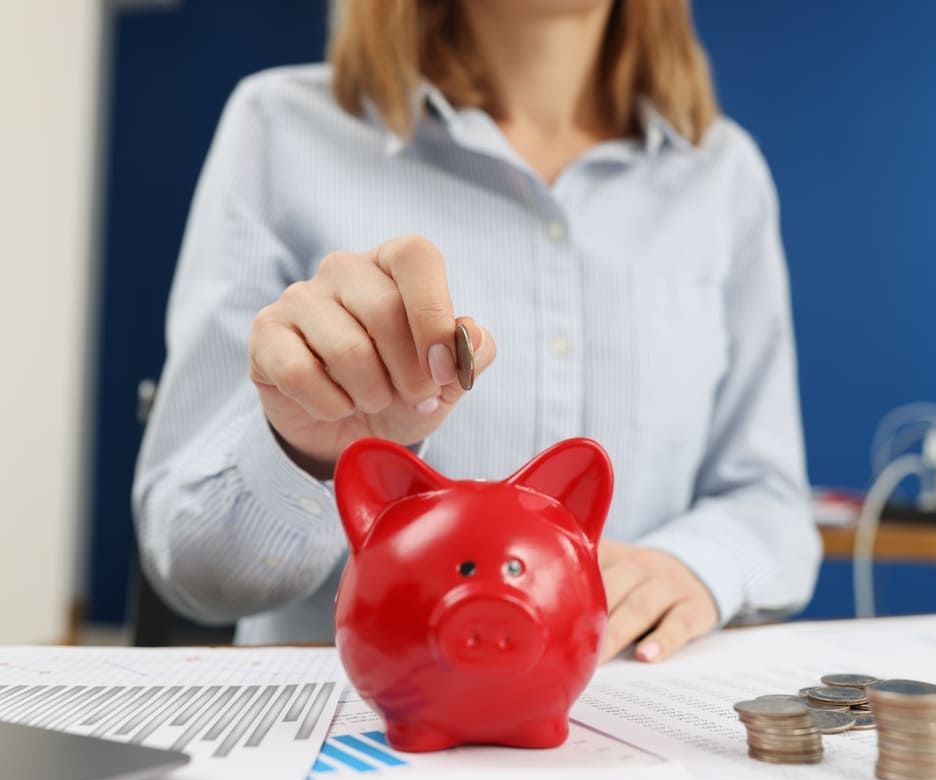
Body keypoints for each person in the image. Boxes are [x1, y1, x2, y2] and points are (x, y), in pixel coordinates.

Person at [133, 0, 822, 662]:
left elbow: (769, 502)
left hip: (630, 730)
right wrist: (301, 452)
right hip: (360, 748)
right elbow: (192, 571)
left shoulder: (723, 175)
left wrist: (692, 566)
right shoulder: (278, 128)